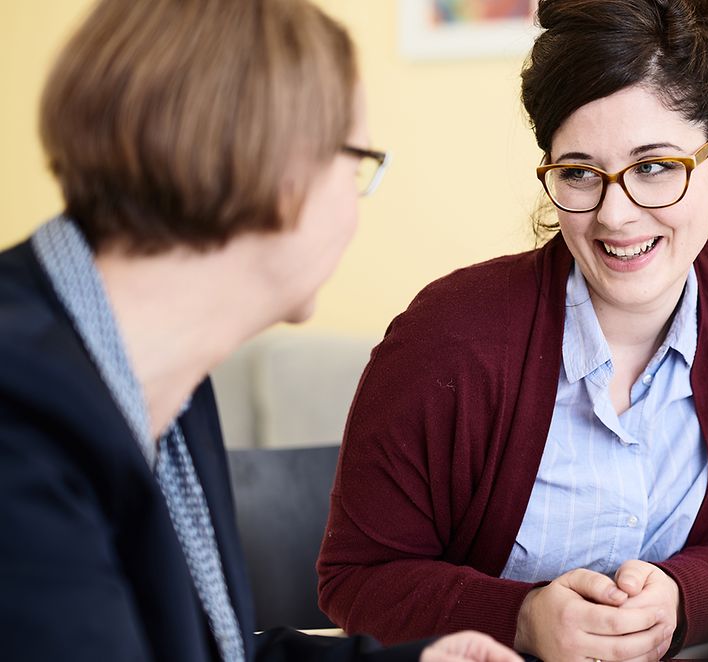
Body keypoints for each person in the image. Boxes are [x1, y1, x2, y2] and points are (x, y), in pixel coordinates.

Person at [0, 2, 520, 662]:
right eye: (354, 160)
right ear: (282, 173)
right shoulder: (19, 421)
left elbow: (199, 648)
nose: (355, 206)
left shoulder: (170, 388)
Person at [317, 0, 708, 660]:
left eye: (653, 167)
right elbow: (356, 581)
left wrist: (677, 597)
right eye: (579, 173)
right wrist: (520, 617)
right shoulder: (446, 336)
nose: (615, 215)